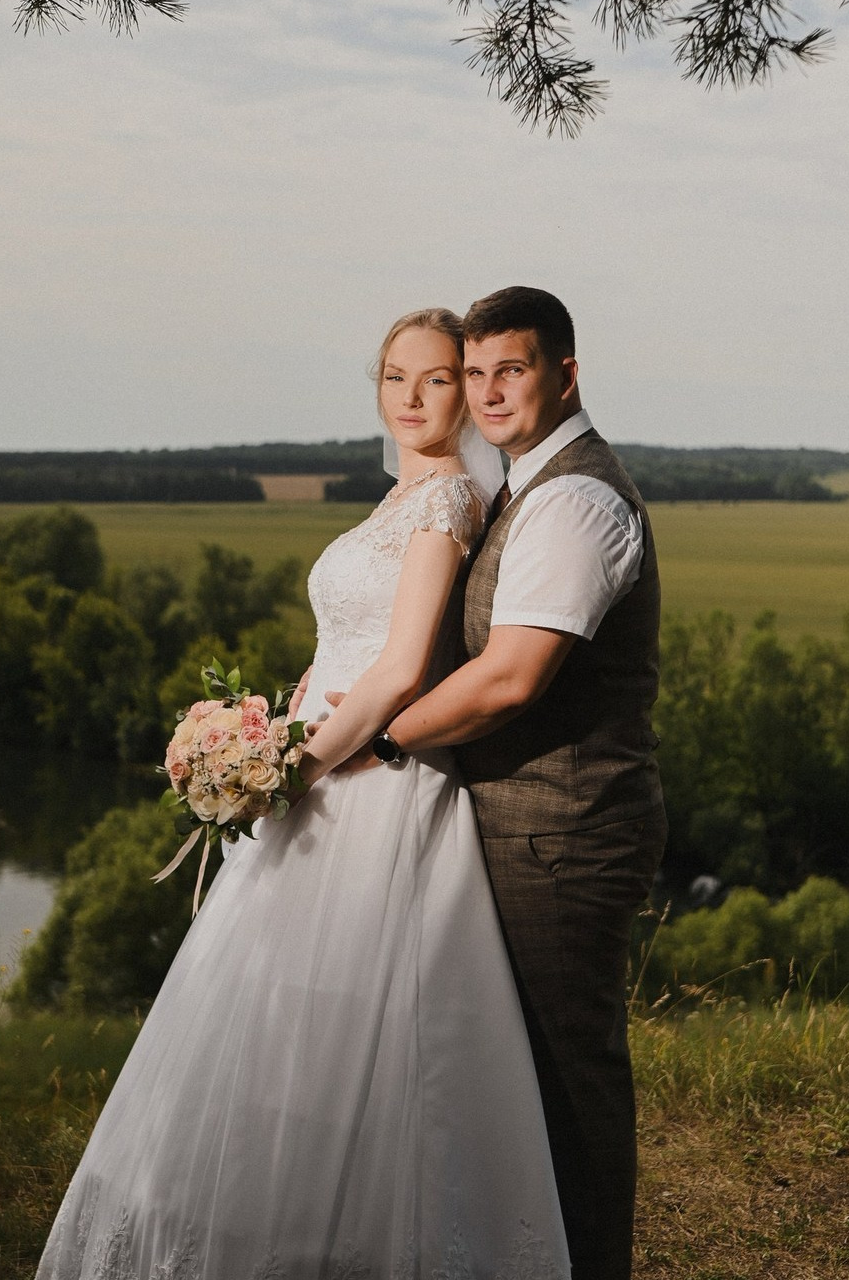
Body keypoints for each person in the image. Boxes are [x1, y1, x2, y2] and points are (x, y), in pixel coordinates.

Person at [35, 309, 570, 1280]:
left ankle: (339, 1241)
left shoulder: (445, 500)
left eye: (437, 379)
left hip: (371, 794)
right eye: (394, 377)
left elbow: (401, 668)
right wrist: (264, 730)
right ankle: (281, 1236)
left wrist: (286, 767)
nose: (411, 397)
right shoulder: (391, 500)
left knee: (355, 1042)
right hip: (323, 774)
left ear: (465, 394)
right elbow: (346, 653)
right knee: (284, 1032)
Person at [372, 287, 667, 1280]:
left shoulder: (576, 498)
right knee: (515, 1076)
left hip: (565, 833)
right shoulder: (523, 487)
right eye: (480, 370)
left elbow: (510, 676)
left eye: (515, 368)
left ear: (564, 375)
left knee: (566, 1076)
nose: (490, 391)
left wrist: (381, 735)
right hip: (525, 827)